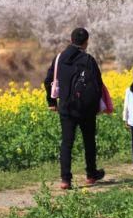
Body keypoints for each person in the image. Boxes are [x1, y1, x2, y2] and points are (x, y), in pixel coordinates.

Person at [44, 27, 105, 190]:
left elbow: (48, 80)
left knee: (67, 143)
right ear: (86, 42)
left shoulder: (59, 59)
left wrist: (51, 102)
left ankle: (66, 179)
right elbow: (98, 84)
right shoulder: (88, 60)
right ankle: (91, 175)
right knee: (89, 141)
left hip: (66, 107)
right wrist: (96, 104)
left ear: (71, 40)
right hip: (86, 108)